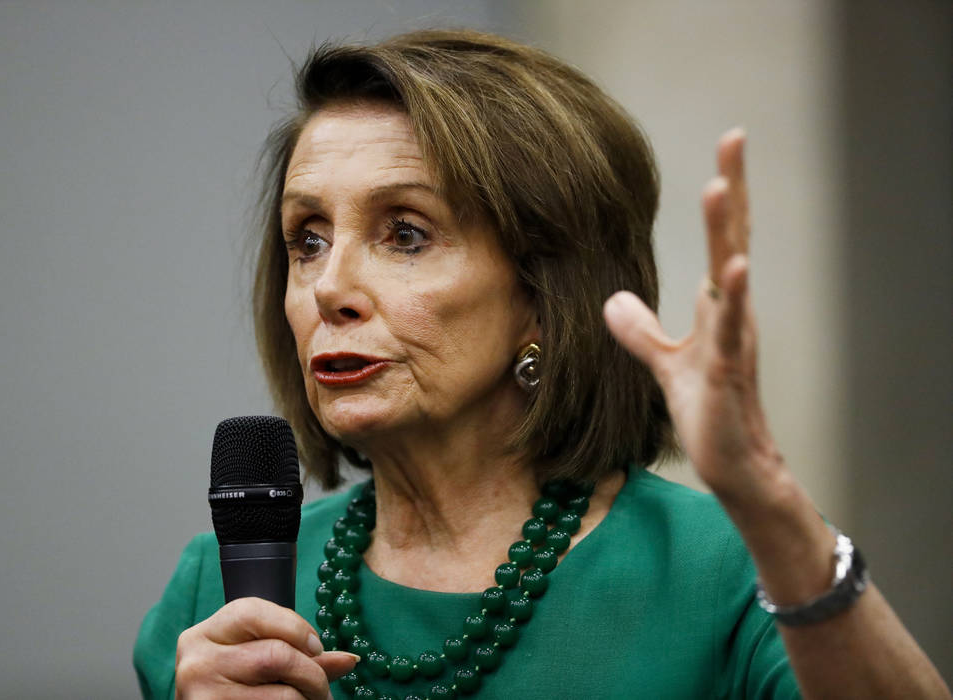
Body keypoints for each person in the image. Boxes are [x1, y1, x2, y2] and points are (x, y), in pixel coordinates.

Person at [134, 29, 949, 699]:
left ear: (540, 290)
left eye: (405, 233)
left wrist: (766, 496)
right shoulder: (215, 593)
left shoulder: (717, 572)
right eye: (307, 239)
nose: (329, 288)